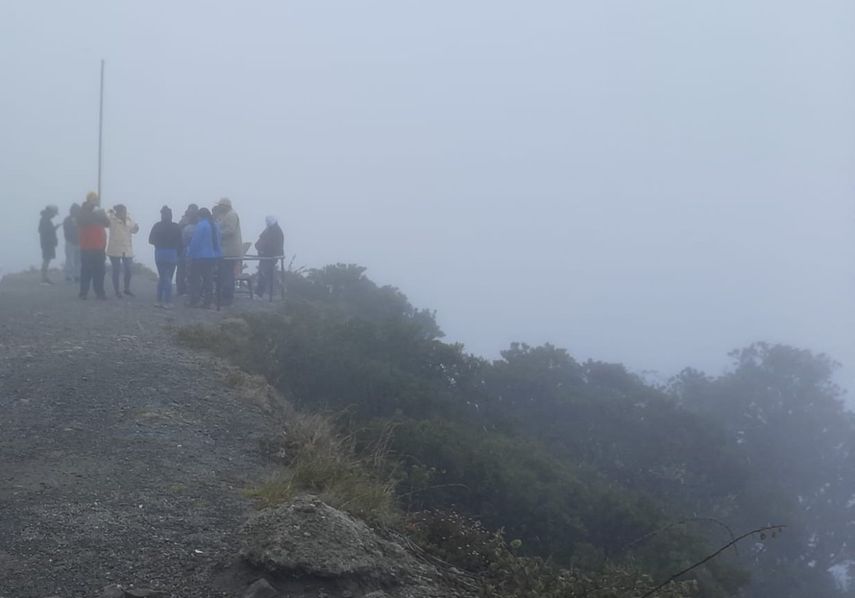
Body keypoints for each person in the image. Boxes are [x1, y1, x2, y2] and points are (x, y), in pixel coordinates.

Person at [148, 206, 184, 309]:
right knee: (168, 277)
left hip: (160, 253)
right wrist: (178, 253)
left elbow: (150, 240)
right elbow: (181, 243)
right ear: (171, 215)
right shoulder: (176, 227)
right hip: (172, 254)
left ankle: (159, 300)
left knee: (163, 277)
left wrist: (158, 244)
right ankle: (167, 301)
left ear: (162, 215)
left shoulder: (157, 226)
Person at [77, 192, 110, 300]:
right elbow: (82, 221)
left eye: (96, 199)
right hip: (87, 246)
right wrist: (94, 213)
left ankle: (100, 293)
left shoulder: (98, 211)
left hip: (99, 247)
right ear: (88, 200)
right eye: (93, 199)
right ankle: (83, 293)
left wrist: (102, 215)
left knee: (100, 271)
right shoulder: (83, 211)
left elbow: (107, 223)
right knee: (86, 271)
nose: (95, 201)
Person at [186, 207, 220, 308]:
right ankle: (207, 301)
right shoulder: (216, 226)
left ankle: (194, 300)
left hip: (199, 256)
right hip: (213, 256)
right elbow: (218, 241)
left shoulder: (201, 225)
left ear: (200, 216)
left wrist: (190, 254)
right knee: (208, 279)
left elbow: (195, 242)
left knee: (195, 279)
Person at [213, 197, 242, 306]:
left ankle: (227, 297)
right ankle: (225, 296)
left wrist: (217, 234)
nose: (219, 207)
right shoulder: (227, 215)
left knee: (228, 274)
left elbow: (230, 230)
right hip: (227, 250)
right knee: (225, 273)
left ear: (225, 206)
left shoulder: (231, 215)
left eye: (220, 205)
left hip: (230, 250)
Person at [106, 204, 139, 298]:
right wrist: (110, 212)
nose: (124, 213)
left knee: (128, 270)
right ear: (119, 212)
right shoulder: (112, 220)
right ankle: (117, 290)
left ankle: (126, 288)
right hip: (114, 248)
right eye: (123, 211)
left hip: (126, 248)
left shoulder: (129, 220)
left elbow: (134, 230)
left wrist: (137, 228)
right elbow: (105, 221)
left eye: (125, 211)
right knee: (116, 270)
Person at [254, 215, 284, 298]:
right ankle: (268, 293)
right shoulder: (271, 230)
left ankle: (262, 293)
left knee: (264, 274)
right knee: (266, 274)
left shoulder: (274, 231)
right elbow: (261, 241)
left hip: (269, 256)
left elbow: (271, 245)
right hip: (268, 256)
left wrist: (262, 249)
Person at [176, 203, 198, 296]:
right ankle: (182, 289)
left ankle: (185, 289)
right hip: (183, 248)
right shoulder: (184, 220)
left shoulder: (185, 220)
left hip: (186, 248)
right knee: (182, 269)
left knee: (186, 269)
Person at [38, 205, 60, 285]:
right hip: (47, 243)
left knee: (47, 259)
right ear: (50, 212)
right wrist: (53, 230)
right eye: (54, 213)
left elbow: (45, 231)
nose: (54, 215)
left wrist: (54, 228)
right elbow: (45, 232)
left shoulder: (45, 219)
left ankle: (44, 277)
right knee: (46, 259)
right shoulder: (45, 220)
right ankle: (44, 278)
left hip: (47, 243)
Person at [62, 204, 81, 283]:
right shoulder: (68, 220)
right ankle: (69, 276)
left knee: (77, 260)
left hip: (78, 242)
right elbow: (67, 231)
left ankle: (76, 275)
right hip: (71, 242)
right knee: (70, 259)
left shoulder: (79, 219)